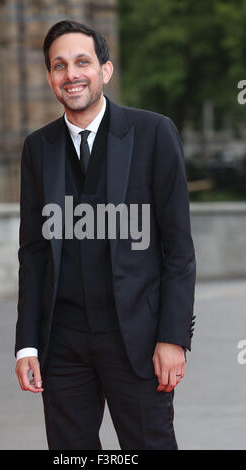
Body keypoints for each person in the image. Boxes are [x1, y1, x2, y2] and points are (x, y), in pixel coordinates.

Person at [14, 19, 196, 450]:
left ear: (105, 70)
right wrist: (27, 346)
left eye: (82, 62)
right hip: (63, 344)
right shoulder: (38, 148)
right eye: (59, 66)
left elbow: (178, 248)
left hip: (138, 338)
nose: (71, 74)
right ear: (49, 78)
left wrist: (172, 338)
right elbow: (34, 253)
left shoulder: (153, 133)